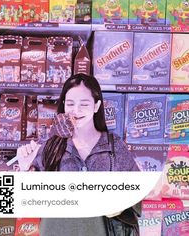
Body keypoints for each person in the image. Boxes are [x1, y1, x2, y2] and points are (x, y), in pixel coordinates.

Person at [17, 73, 141, 236]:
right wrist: (25, 168)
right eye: (70, 104)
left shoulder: (114, 146)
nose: (76, 110)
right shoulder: (49, 146)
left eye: (84, 104)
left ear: (96, 106)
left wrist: (121, 205)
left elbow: (137, 191)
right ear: (63, 105)